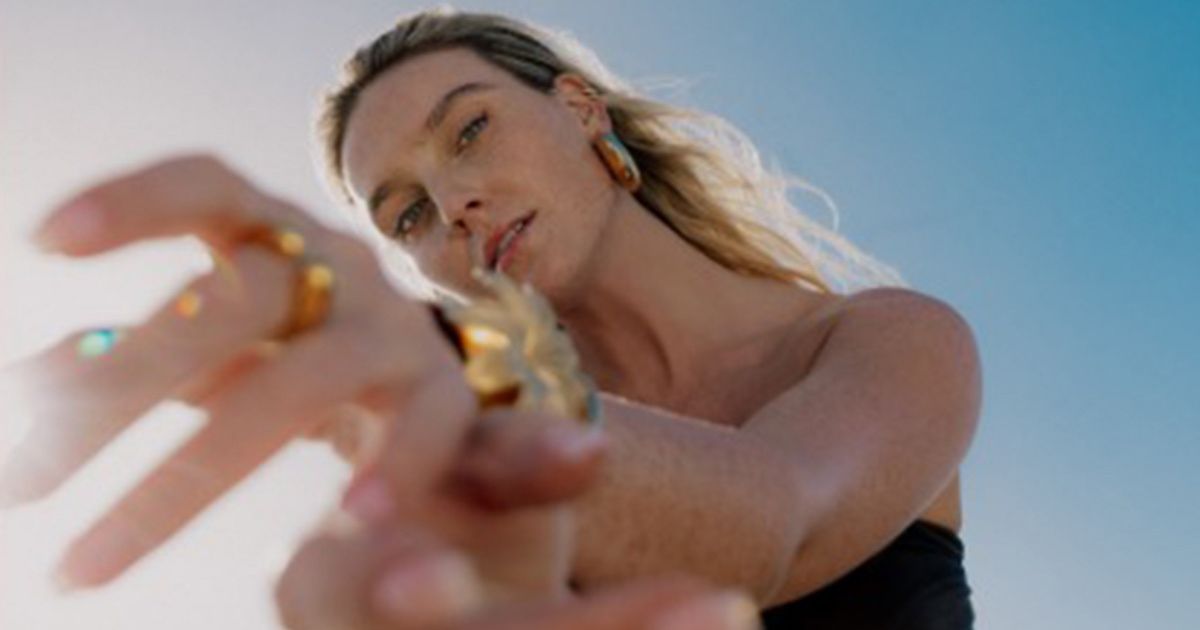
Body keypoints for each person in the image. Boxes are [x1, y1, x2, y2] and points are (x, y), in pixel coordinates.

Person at [1, 7, 982, 629]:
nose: (454, 206)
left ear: (582, 110)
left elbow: (777, 526)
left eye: (469, 129)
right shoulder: (472, 479)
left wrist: (452, 385)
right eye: (408, 216)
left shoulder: (880, 339)